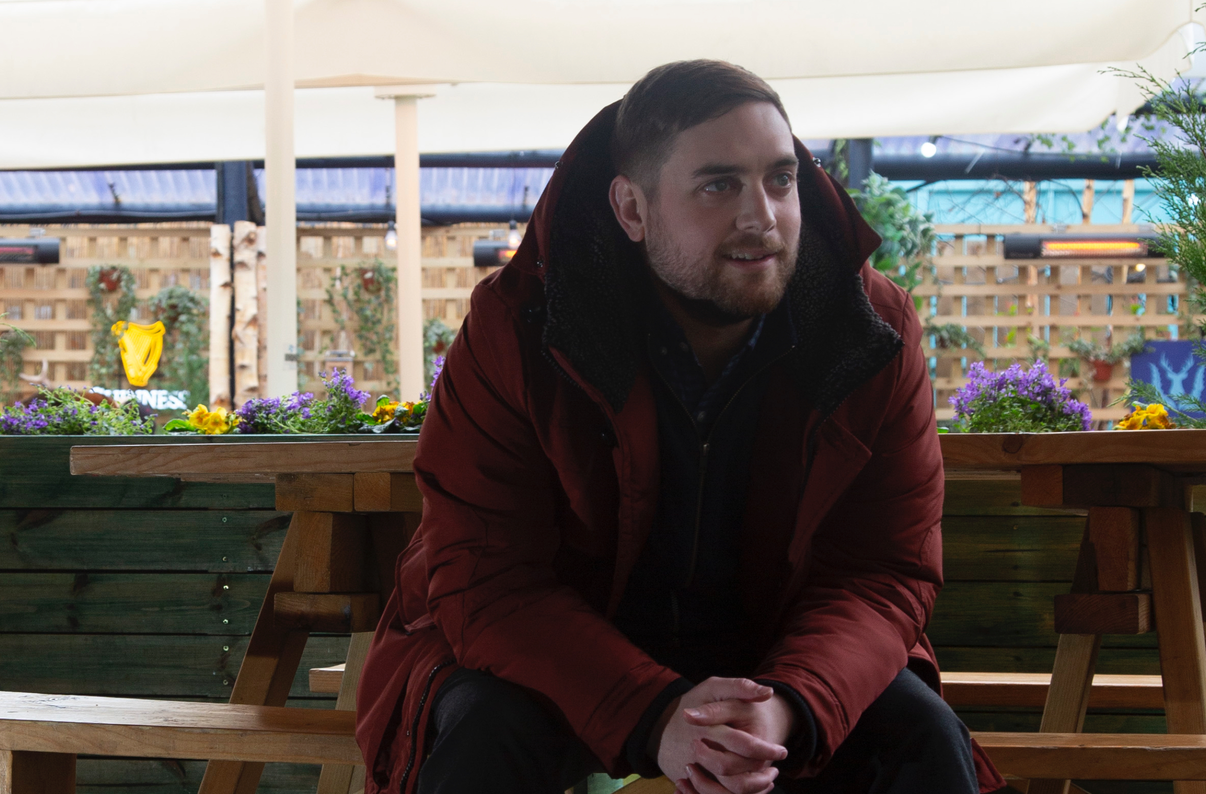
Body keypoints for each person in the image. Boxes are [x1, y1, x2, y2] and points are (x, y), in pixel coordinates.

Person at [355, 59, 1006, 794]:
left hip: (781, 650)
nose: (761, 215)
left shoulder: (868, 330)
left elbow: (885, 570)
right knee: (485, 731)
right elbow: (483, 577)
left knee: (919, 736)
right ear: (631, 210)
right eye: (718, 184)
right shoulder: (521, 326)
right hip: (560, 650)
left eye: (780, 179)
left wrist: (791, 703)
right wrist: (655, 711)